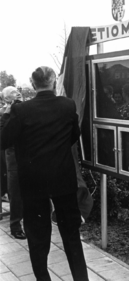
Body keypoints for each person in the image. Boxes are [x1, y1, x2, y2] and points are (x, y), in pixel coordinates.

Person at [1, 66, 89, 281]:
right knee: (71, 235)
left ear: (33, 84)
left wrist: (5, 117)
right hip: (63, 179)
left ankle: (43, 278)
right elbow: (73, 135)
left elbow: (4, 141)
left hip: (33, 182)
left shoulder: (21, 110)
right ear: (53, 82)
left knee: (38, 236)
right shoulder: (67, 105)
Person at [0, 86, 26, 239]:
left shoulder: (26, 109)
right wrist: (8, 113)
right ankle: (15, 225)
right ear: (7, 99)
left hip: (28, 155)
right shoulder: (4, 113)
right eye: (14, 95)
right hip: (13, 156)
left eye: (18, 92)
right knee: (15, 191)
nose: (18, 95)